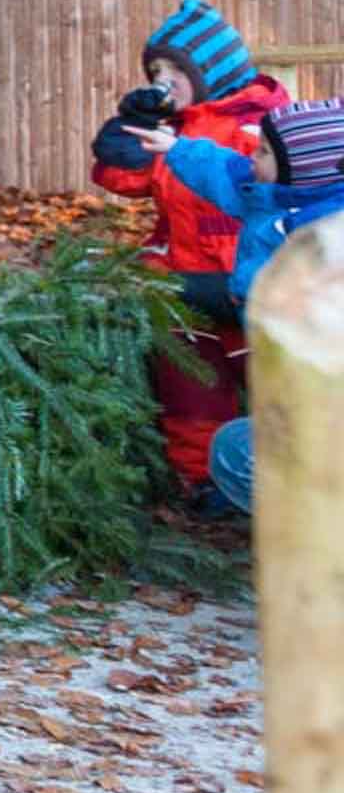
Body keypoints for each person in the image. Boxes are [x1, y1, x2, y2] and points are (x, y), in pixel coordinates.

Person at [91, 0, 286, 498]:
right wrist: (124, 129)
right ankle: (204, 481)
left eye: (174, 68)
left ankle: (286, 480)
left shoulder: (262, 127)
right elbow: (123, 177)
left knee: (273, 385)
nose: (162, 77)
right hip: (180, 284)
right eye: (155, 68)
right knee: (191, 387)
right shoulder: (170, 127)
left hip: (244, 287)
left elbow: (273, 189)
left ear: (213, 71)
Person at [141, 98, 344, 515]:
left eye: (264, 151)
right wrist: (176, 148)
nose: (253, 156)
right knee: (235, 450)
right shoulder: (272, 196)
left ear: (306, 167)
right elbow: (225, 173)